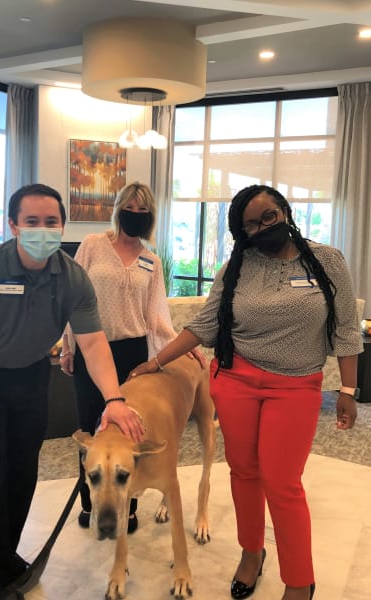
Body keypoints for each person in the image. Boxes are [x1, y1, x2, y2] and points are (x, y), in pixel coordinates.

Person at [127, 184, 363, 600]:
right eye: (250, 224)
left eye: (268, 216)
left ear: (285, 211)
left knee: (283, 481)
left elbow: (345, 327)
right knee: (244, 473)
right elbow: (204, 325)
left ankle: (299, 579)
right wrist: (157, 360)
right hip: (236, 381)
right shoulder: (236, 267)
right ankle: (251, 553)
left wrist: (347, 388)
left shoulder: (327, 260)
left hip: (296, 385)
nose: (262, 227)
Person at [0, 183, 144, 592]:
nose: (42, 229)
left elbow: (92, 342)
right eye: (31, 221)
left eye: (51, 221)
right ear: (13, 225)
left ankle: (6, 553)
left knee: (22, 471)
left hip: (32, 377)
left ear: (62, 225)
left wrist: (114, 399)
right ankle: (1, 572)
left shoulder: (72, 278)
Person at [60, 181, 204, 533]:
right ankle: (90, 504)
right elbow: (71, 296)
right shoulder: (94, 246)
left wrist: (185, 344)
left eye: (143, 212)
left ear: (150, 217)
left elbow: (157, 316)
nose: (135, 216)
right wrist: (67, 343)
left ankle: (130, 504)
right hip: (92, 346)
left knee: (131, 432)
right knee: (93, 430)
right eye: (130, 208)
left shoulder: (151, 260)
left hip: (132, 352)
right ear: (119, 209)